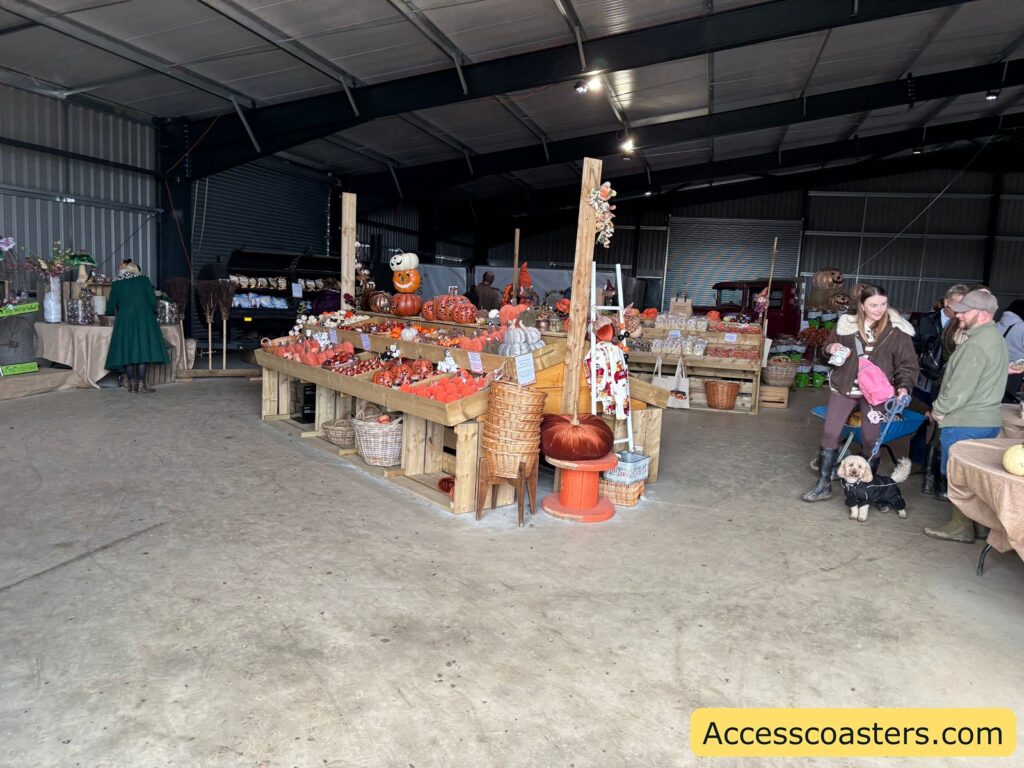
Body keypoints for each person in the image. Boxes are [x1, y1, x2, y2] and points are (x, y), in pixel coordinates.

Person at [803, 285, 919, 502]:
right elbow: (825, 351)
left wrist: (904, 386)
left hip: (875, 393)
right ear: (862, 306)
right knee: (830, 433)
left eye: (883, 304)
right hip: (844, 386)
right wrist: (829, 350)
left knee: (870, 438)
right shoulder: (846, 326)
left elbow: (908, 365)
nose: (879, 309)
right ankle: (823, 484)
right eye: (873, 305)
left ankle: (868, 485)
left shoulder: (897, 331)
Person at [923, 289, 1009, 542]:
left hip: (965, 421)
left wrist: (938, 410)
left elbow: (958, 389)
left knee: (958, 476)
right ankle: (980, 525)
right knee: (975, 477)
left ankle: (960, 527)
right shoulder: (994, 339)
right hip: (986, 420)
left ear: (982, 314)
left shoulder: (976, 345)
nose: (959, 316)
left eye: (965, 311)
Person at [911, 284, 967, 494]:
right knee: (922, 419)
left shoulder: (964, 325)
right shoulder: (928, 320)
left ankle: (934, 472)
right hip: (926, 378)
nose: (962, 309)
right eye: (958, 304)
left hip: (948, 382)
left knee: (942, 425)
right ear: (946, 302)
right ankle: (917, 460)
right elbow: (914, 344)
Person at [104, 260, 169, 394]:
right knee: (142, 349)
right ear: (136, 270)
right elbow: (152, 301)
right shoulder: (144, 280)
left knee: (126, 349)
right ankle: (141, 385)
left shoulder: (117, 283)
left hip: (124, 319)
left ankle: (132, 385)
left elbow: (111, 305)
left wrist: (108, 314)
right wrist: (153, 311)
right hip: (143, 317)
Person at [997, 298, 1024, 402]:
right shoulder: (1022, 327)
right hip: (1015, 369)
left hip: (997, 367)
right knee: (1009, 401)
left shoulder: (997, 324)